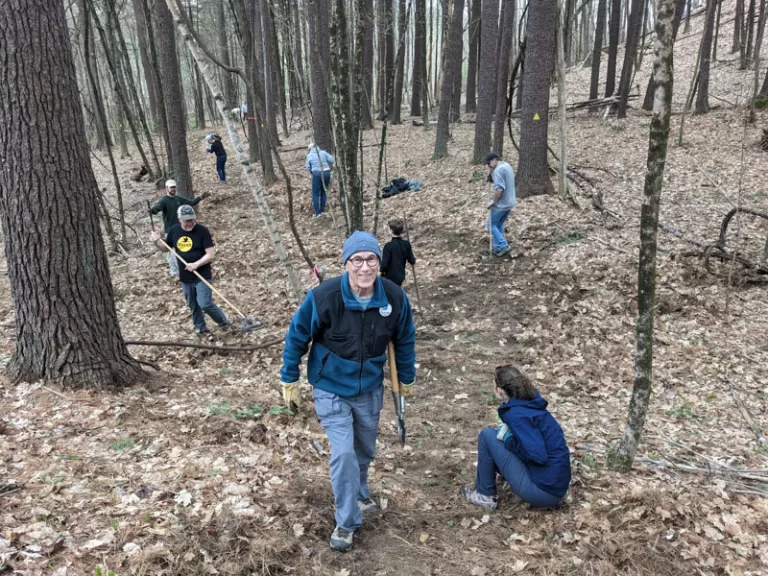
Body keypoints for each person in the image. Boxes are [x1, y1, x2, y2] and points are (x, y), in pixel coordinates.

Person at [279, 231, 416, 553]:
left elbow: (405, 340)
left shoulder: (394, 298)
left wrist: (405, 379)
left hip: (369, 387)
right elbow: (297, 336)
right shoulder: (324, 297)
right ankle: (347, 521)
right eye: (357, 260)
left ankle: (360, 488)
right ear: (346, 264)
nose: (365, 267)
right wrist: (289, 378)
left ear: (379, 264)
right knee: (343, 454)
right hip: (330, 387)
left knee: (364, 451)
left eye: (371, 260)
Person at [460, 365, 571, 510]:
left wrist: (509, 439)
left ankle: (485, 496)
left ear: (499, 390)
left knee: (487, 435)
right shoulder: (530, 402)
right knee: (498, 436)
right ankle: (504, 477)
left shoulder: (517, 414)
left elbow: (538, 455)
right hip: (556, 484)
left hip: (543, 492)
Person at [149, 205, 231, 338]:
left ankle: (224, 323)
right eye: (187, 220)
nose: (191, 222)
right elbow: (166, 249)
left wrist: (196, 264)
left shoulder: (202, 231)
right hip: (185, 277)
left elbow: (210, 254)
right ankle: (201, 329)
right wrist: (156, 242)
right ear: (179, 219)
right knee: (193, 305)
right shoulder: (174, 230)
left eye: (192, 219)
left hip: (202, 274)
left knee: (205, 303)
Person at [150, 180, 209, 278]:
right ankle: (175, 273)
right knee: (172, 253)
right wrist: (152, 210)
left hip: (181, 230)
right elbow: (156, 209)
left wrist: (200, 197)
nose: (173, 189)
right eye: (171, 187)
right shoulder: (163, 200)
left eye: (174, 187)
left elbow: (191, 202)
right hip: (170, 231)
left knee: (183, 250)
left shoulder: (178, 199)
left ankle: (185, 271)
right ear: (166, 188)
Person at [484, 152, 517, 257]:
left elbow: (499, 189)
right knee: (498, 224)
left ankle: (503, 245)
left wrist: (493, 202)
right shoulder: (507, 165)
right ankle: (497, 247)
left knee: (490, 224)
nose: (488, 166)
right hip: (510, 202)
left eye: (488, 163)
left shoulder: (498, 170)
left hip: (502, 204)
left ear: (494, 160)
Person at [380, 218, 416, 287]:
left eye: (388, 229)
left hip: (389, 277)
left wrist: (381, 272)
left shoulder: (388, 246)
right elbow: (412, 260)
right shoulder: (406, 244)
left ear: (391, 230)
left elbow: (384, 265)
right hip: (401, 276)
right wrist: (413, 261)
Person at [305, 143, 334, 217]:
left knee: (315, 194)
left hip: (317, 174)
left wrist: (312, 171)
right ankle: (322, 210)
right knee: (324, 191)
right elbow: (332, 160)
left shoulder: (309, 155)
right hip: (327, 173)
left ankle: (316, 213)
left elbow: (308, 167)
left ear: (310, 149)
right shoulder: (323, 153)